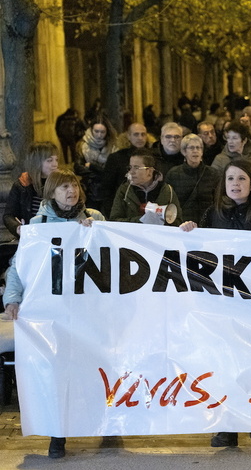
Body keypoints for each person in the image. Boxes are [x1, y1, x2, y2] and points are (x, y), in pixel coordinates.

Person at [179, 159, 251, 448]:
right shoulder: (213, 213)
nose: (235, 183)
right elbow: (198, 247)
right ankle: (227, 425)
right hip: (222, 303)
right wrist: (190, 230)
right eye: (230, 179)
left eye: (241, 178)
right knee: (224, 363)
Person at [4, 169, 104, 459]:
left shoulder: (95, 218)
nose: (70, 191)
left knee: (93, 369)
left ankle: (104, 423)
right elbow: (19, 265)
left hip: (89, 312)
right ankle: (57, 435)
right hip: (53, 313)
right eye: (63, 188)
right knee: (57, 374)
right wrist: (12, 298)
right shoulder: (38, 225)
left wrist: (93, 234)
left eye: (73, 185)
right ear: (51, 193)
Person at [110, 149, 182, 225]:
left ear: (150, 171)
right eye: (130, 167)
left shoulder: (167, 191)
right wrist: (141, 220)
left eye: (136, 167)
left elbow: (177, 222)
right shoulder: (124, 190)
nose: (131, 172)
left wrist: (160, 221)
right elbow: (114, 221)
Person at [4, 142, 60, 239]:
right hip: (32, 237)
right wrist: (17, 228)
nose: (55, 164)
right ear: (37, 163)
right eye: (49, 160)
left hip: (59, 235)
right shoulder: (22, 185)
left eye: (56, 160)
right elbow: (8, 215)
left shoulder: (62, 182)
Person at [166, 134, 220, 224]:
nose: (195, 151)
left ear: (202, 152)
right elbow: (169, 202)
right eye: (191, 148)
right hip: (182, 224)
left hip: (208, 224)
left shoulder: (213, 174)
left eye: (198, 148)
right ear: (184, 151)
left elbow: (218, 201)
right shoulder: (173, 174)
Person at [101, 123, 151, 216]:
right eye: (136, 134)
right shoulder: (116, 158)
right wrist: (112, 213)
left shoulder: (153, 157)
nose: (140, 138)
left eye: (143, 134)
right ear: (128, 136)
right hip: (123, 209)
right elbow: (107, 189)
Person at [76, 117, 117, 210]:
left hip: (108, 190)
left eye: (102, 132)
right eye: (96, 131)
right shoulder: (82, 146)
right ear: (91, 130)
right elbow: (78, 168)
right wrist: (100, 173)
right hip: (89, 189)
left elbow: (112, 171)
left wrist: (92, 166)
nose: (99, 135)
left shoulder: (113, 147)